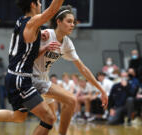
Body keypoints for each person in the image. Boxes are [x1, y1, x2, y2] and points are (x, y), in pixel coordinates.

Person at [0, 0, 65, 135]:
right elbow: (52, 10)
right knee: (49, 118)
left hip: (14, 77)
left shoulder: (22, 21)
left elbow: (28, 55)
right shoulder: (32, 22)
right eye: (39, 2)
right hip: (20, 80)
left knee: (18, 117)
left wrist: (44, 47)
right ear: (32, 4)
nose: (41, 5)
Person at [32, 5, 108, 135]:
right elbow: (26, 55)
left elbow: (83, 68)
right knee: (71, 100)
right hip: (31, 78)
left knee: (51, 119)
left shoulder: (67, 43)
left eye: (73, 22)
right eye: (69, 21)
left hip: (43, 78)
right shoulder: (45, 35)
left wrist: (101, 89)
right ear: (58, 21)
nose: (72, 25)